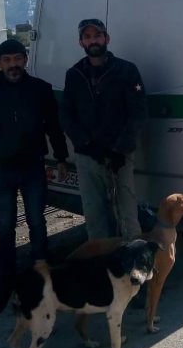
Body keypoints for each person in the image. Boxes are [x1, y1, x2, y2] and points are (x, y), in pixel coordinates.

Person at [0, 38, 69, 304]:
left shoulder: (40, 90)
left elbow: (54, 126)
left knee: (37, 221)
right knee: (5, 225)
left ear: (25, 60)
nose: (13, 65)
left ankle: (41, 271)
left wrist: (61, 158)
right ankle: (7, 276)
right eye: (7, 60)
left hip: (33, 168)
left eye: (17, 59)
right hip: (2, 171)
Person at [60, 19, 148, 241]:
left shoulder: (126, 70)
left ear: (106, 38)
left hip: (119, 156)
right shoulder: (74, 74)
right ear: (81, 42)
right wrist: (85, 144)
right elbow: (66, 115)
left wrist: (121, 149)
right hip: (88, 156)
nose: (93, 41)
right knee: (93, 215)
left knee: (127, 214)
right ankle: (99, 258)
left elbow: (138, 113)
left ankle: (134, 257)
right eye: (87, 37)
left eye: (97, 36)